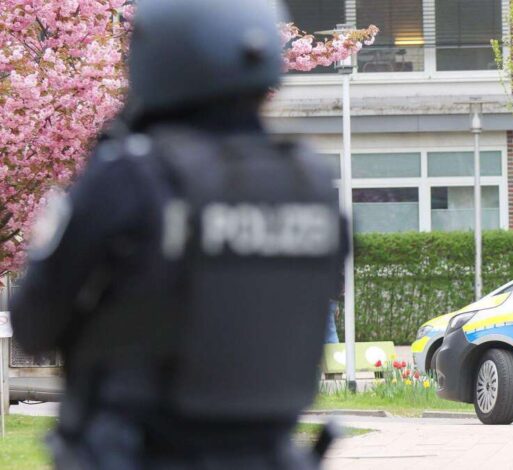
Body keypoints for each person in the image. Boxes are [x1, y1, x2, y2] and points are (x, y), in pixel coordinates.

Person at [10, 0, 347, 468]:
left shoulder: (133, 173)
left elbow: (32, 324)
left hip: (140, 452)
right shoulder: (311, 183)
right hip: (272, 455)